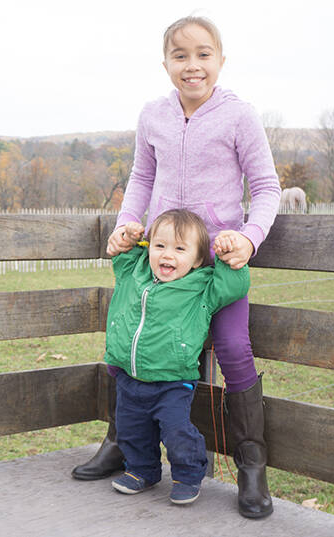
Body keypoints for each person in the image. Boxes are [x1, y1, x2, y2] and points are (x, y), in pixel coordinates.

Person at [71, 15, 280, 518]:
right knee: (133, 338)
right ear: (165, 63)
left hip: (214, 262)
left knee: (232, 345)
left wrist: (248, 239)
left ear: (221, 60)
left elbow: (267, 187)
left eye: (204, 54)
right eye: (180, 56)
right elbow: (142, 177)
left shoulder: (239, 116)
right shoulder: (153, 116)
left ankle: (251, 464)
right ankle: (123, 442)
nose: (193, 66)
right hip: (159, 254)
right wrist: (127, 225)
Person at [105, 210, 249, 505]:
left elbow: (233, 286)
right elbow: (122, 256)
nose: (167, 255)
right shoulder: (135, 272)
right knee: (130, 429)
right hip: (129, 377)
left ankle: (188, 474)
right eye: (159, 246)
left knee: (176, 432)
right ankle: (142, 470)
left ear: (197, 259)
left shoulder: (200, 288)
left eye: (179, 249)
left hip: (172, 381)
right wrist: (129, 237)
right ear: (148, 249)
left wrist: (226, 255)